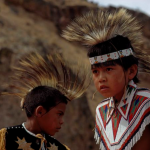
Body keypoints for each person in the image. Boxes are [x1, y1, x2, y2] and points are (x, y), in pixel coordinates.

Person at [62, 8, 150, 150]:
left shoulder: (146, 102)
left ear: (131, 71)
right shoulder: (101, 111)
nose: (101, 78)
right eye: (95, 72)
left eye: (109, 69)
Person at [0, 52, 89, 150]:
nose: (62, 121)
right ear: (40, 111)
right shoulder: (6, 138)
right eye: (59, 114)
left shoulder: (59, 148)